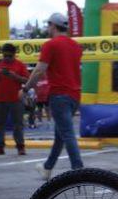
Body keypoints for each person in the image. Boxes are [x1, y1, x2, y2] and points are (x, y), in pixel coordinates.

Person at [22, 12, 84, 179]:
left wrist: (26, 88)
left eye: (48, 25)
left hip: (59, 95)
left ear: (53, 26)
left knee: (67, 134)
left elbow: (39, 70)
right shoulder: (75, 46)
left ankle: (79, 171)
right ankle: (47, 168)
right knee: (61, 135)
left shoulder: (51, 45)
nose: (47, 28)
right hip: (74, 95)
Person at [0, 43, 29, 156]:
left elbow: (27, 80)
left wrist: (15, 76)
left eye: (10, 56)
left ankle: (20, 147)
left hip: (16, 99)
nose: (7, 58)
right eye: (5, 55)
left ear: (14, 55)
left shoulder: (20, 65)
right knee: (0, 124)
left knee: (18, 124)